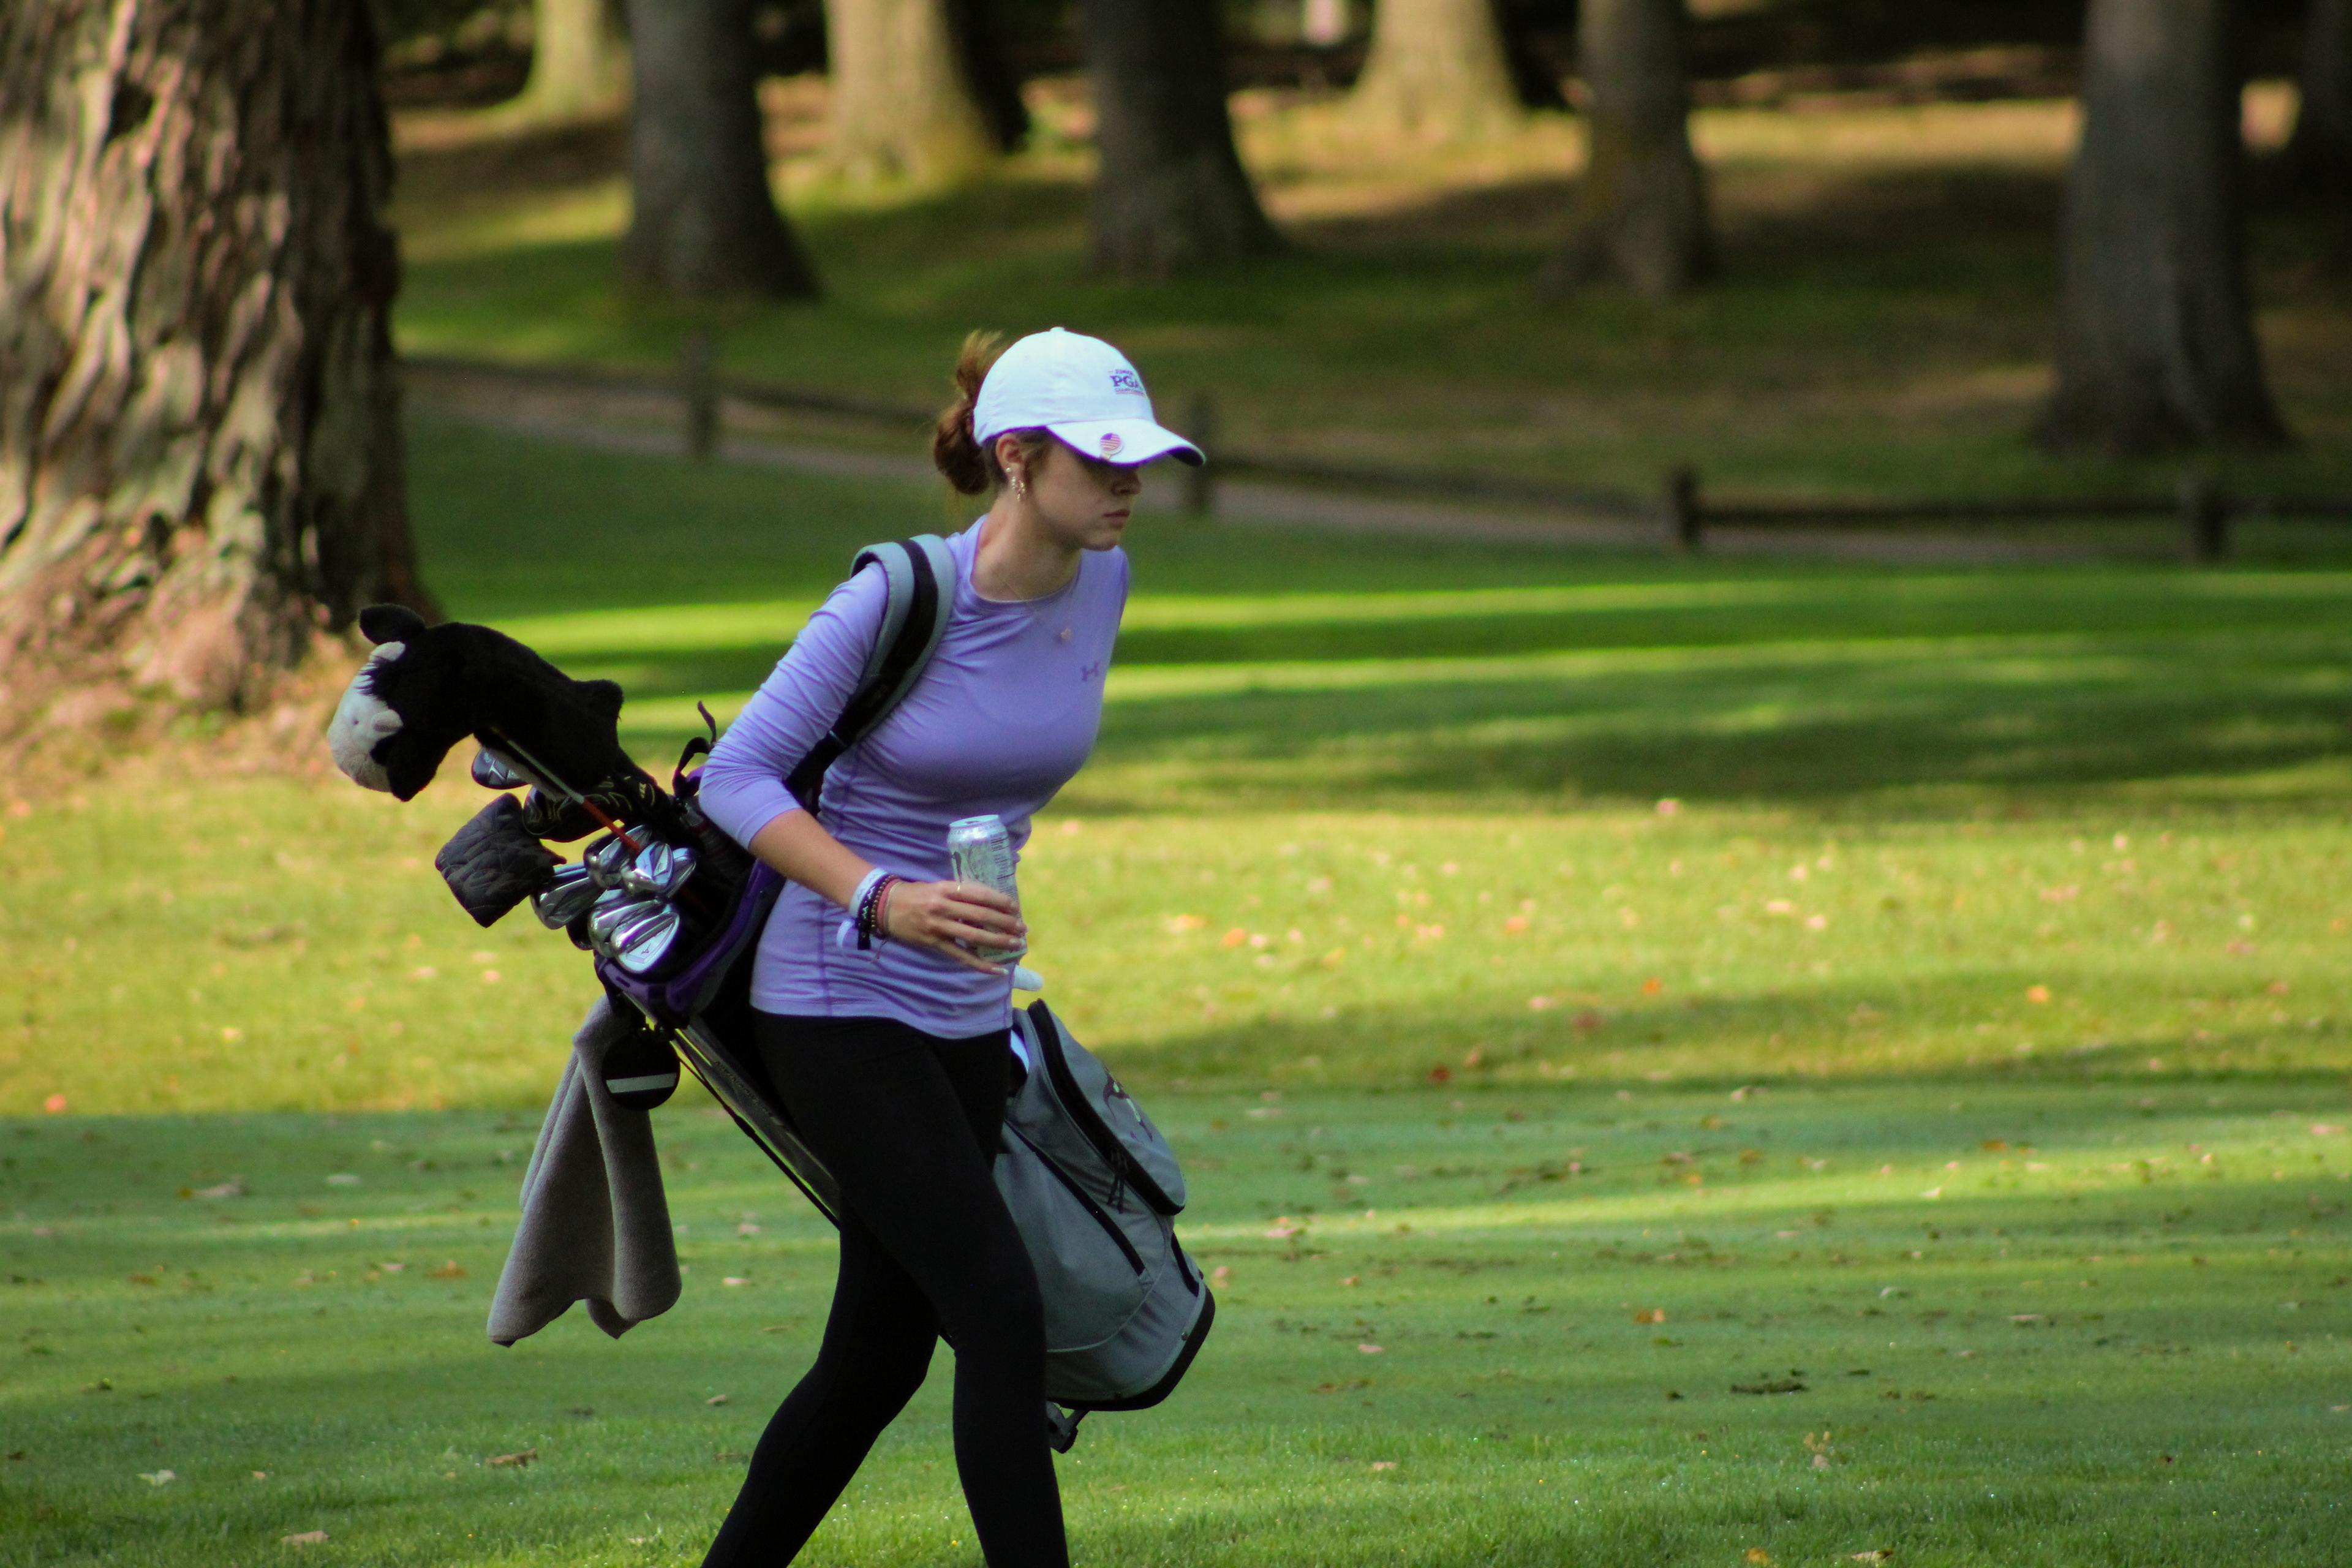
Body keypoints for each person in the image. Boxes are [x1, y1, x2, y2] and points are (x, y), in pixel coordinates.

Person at [692, 327, 1203, 1568]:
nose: (1131, 481)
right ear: (1017, 457)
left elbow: (1001, 776)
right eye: (1102, 457)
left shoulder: (1105, 582)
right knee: (998, 1306)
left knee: (876, 1357)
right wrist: (881, 897)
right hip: (835, 990)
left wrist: (964, 903)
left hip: (970, 1008)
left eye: (1141, 457)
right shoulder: (899, 595)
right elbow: (738, 777)